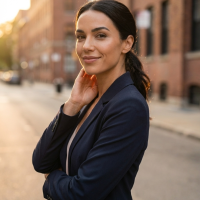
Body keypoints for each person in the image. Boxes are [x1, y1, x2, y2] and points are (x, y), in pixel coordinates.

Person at [32, 1, 150, 199]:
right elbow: (41, 161)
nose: (86, 46)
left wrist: (51, 179)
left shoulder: (129, 106)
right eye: (80, 37)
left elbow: (82, 193)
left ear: (127, 43)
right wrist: (73, 104)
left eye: (100, 35)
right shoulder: (91, 98)